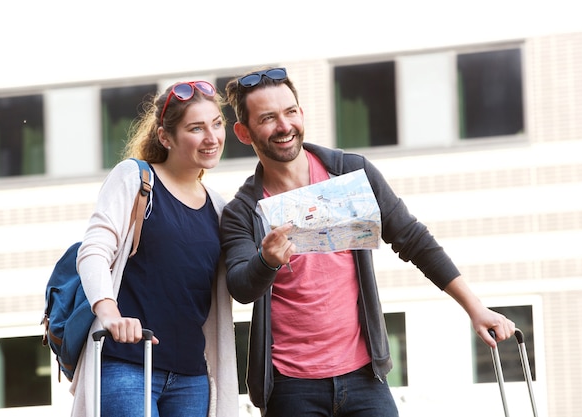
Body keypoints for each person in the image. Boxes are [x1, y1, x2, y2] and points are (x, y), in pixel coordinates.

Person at [220, 67, 516, 417]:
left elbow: (413, 240)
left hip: (364, 376)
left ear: (301, 113)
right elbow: (240, 286)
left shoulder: (350, 173)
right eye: (268, 118)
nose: (284, 126)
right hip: (290, 386)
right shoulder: (242, 211)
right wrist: (266, 260)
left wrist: (475, 308)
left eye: (290, 112)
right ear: (243, 132)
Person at [70, 80, 239, 417]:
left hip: (192, 377)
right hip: (129, 365)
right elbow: (93, 251)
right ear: (165, 137)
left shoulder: (219, 209)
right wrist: (110, 314)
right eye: (196, 128)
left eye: (216, 124)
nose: (212, 137)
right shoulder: (136, 179)